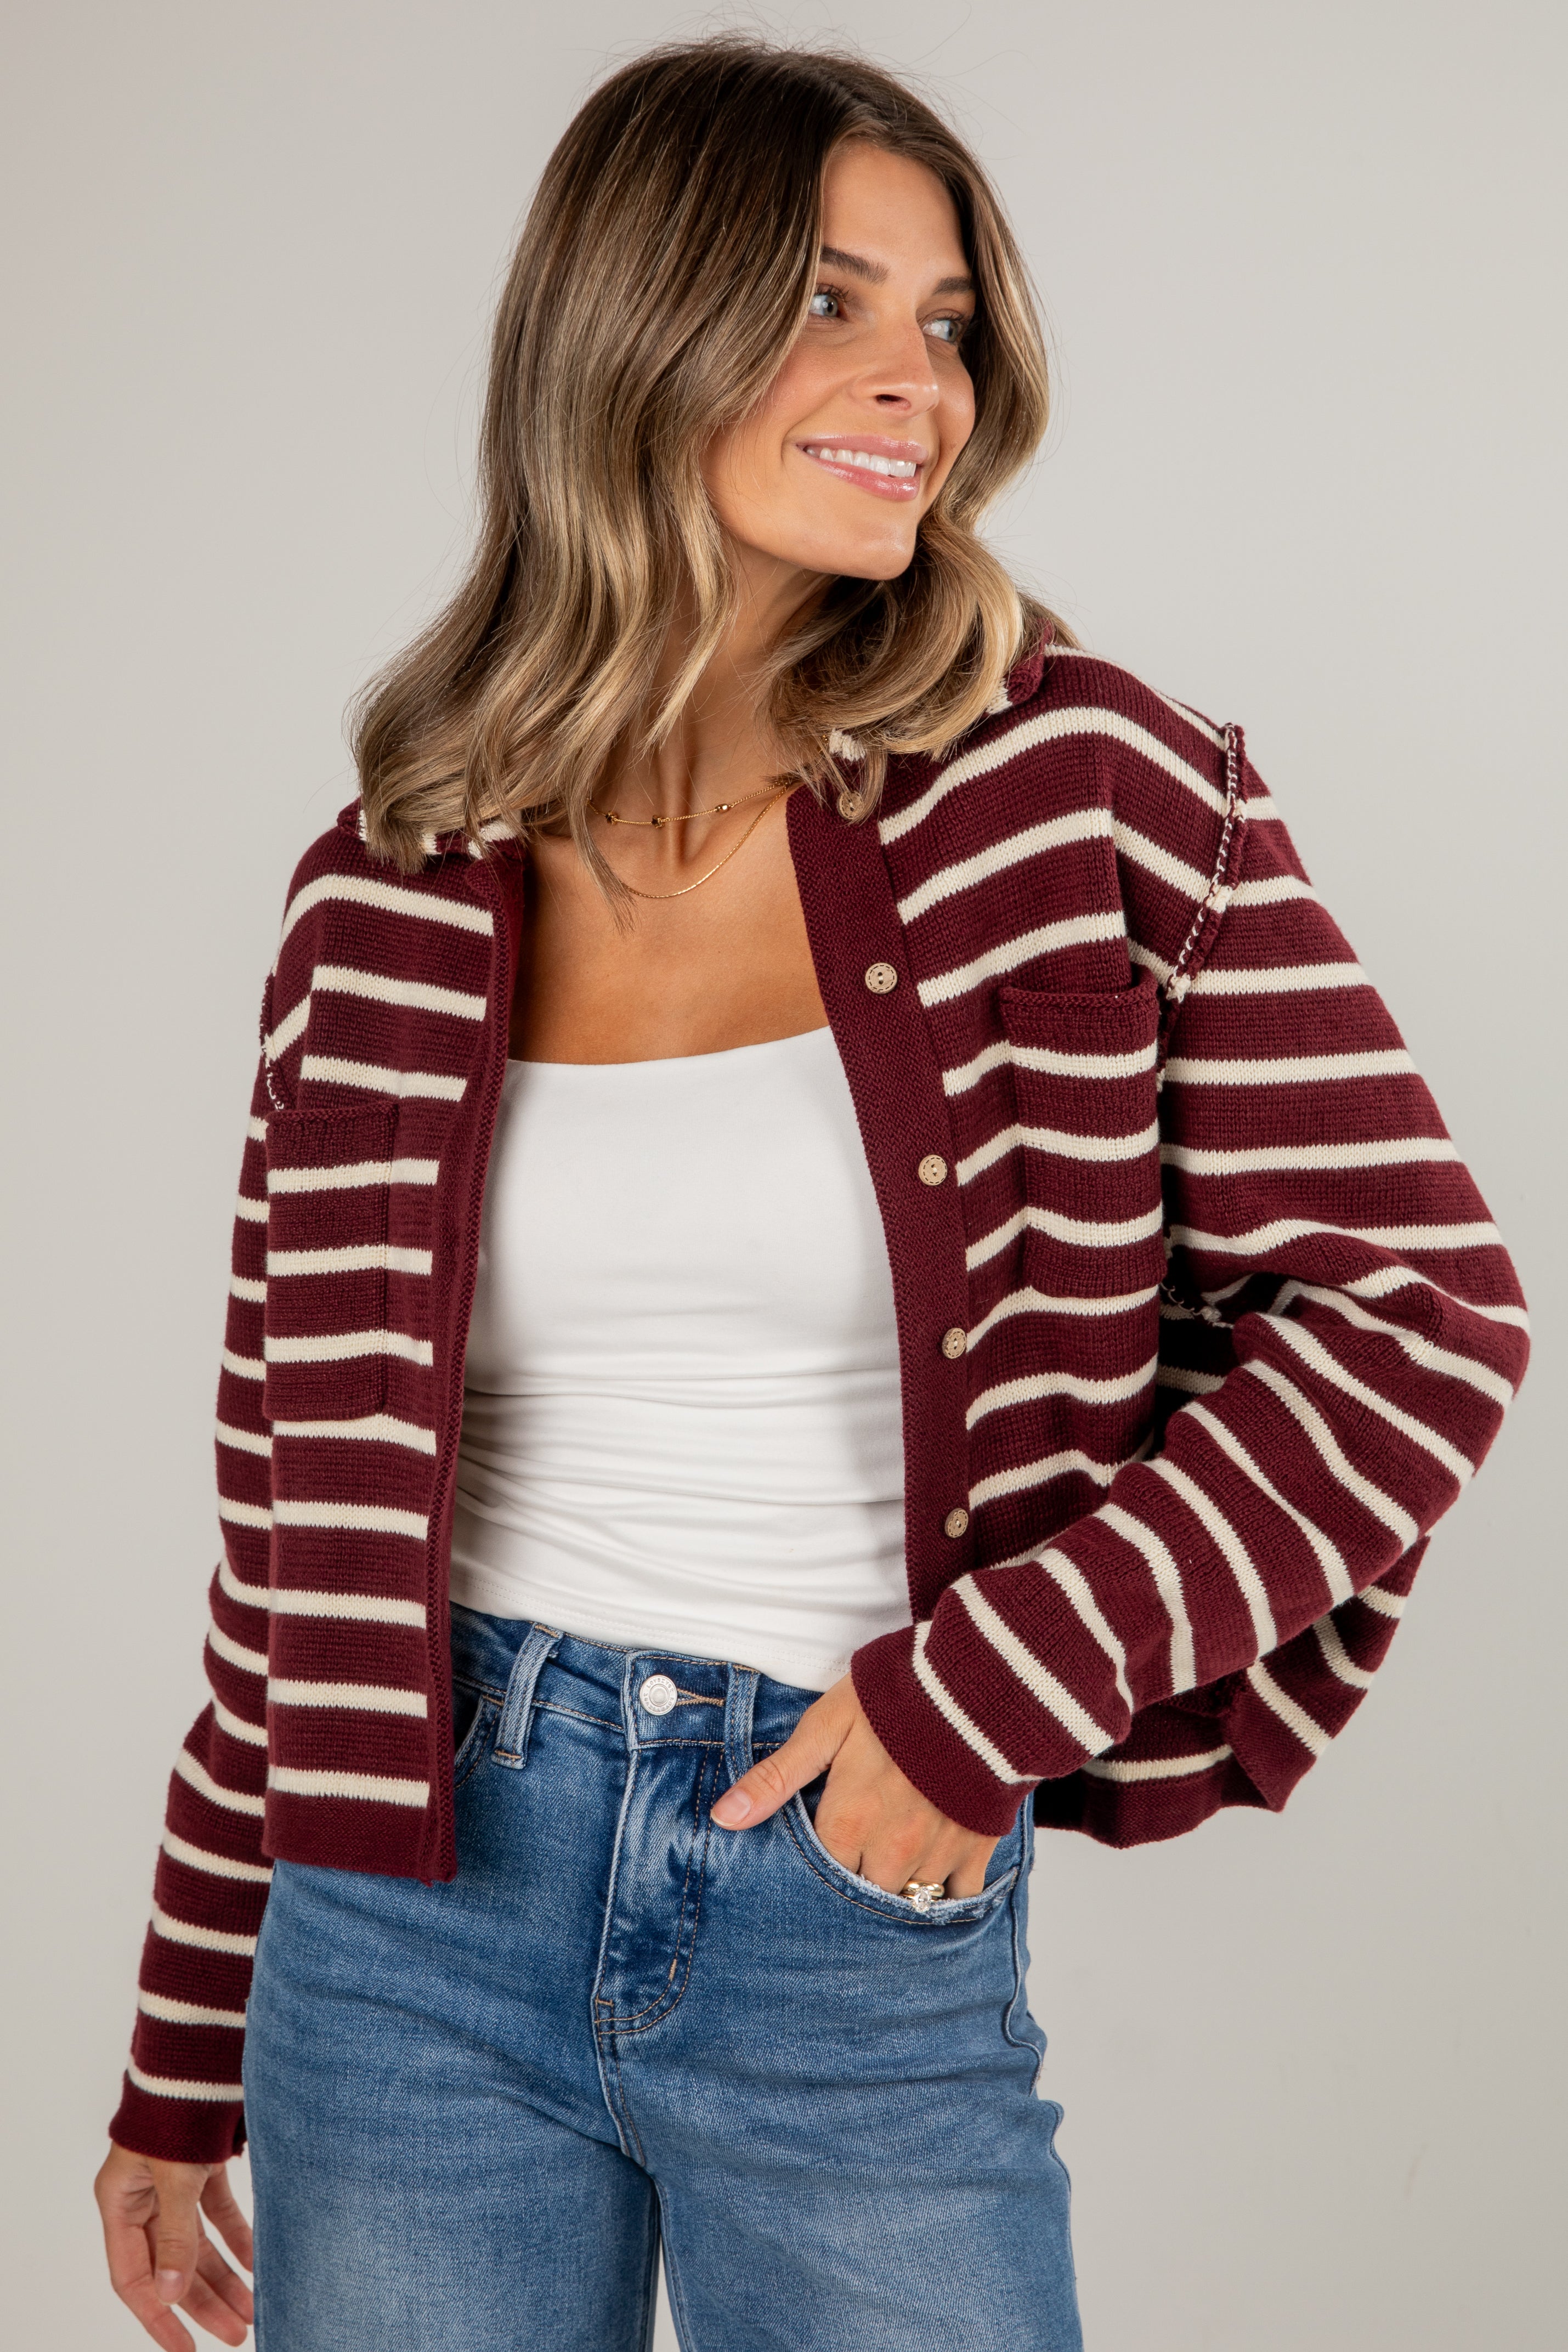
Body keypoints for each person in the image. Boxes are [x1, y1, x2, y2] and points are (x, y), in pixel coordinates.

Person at [93, 37, 1528, 2352]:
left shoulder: (1084, 787)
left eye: (943, 321)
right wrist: (180, 2046)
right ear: (632, 326)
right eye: (829, 303)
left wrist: (980, 1702)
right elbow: (290, 1529)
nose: (915, 384)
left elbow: (1418, 1319)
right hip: (400, 1925)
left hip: (844, 1880)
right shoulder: (378, 894)